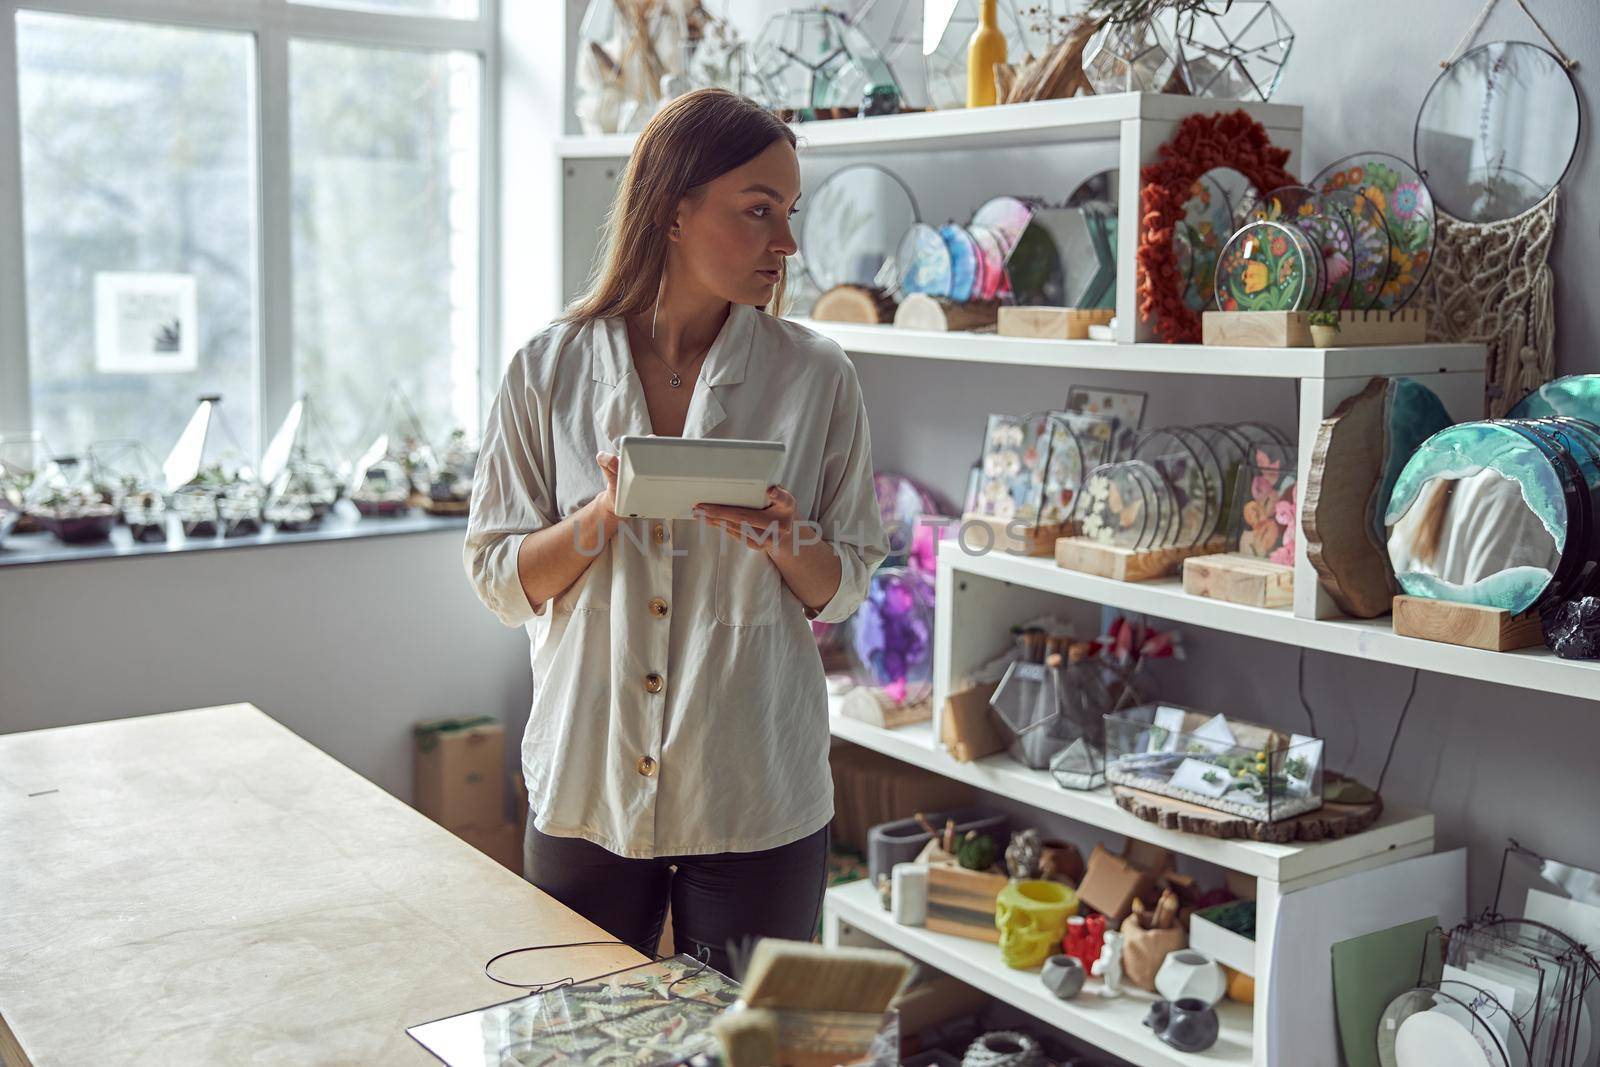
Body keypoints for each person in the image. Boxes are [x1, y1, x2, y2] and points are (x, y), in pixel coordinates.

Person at [463, 88, 888, 978]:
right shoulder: (549, 369)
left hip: (754, 792)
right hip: (590, 784)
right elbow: (501, 580)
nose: (788, 243)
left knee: (744, 1046)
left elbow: (846, 582)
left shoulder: (818, 376)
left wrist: (783, 537)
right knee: (574, 1032)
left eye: (790, 212)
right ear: (674, 207)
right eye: (759, 209)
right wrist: (603, 517)